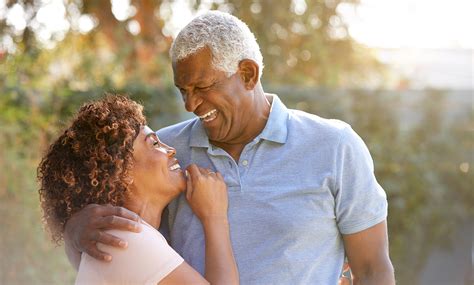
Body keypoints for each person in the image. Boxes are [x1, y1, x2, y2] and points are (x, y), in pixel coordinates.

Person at [64, 11, 395, 284]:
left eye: (203, 87)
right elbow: (117, 250)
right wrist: (74, 231)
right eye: (183, 90)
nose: (191, 104)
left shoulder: (334, 146)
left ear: (248, 74)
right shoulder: (166, 154)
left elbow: (372, 269)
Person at [38, 95, 239, 284]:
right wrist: (214, 217)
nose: (171, 150)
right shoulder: (127, 240)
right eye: (154, 143)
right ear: (122, 171)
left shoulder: (117, 239)